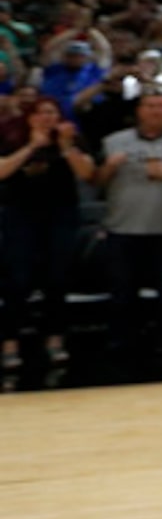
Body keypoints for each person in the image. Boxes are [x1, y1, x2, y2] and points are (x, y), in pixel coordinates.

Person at [94, 86, 162, 363]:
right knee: (122, 293)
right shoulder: (113, 142)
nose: (156, 111)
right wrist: (109, 167)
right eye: (150, 105)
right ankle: (121, 347)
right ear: (139, 111)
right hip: (123, 227)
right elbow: (95, 181)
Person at [0, 94, 94, 372]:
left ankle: (54, 341)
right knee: (17, 281)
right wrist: (31, 146)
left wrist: (66, 148)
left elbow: (88, 173)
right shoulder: (11, 136)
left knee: (58, 279)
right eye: (41, 113)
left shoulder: (71, 138)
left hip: (61, 216)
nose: (47, 118)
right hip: (20, 216)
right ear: (29, 116)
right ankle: (9, 344)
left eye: (52, 112)